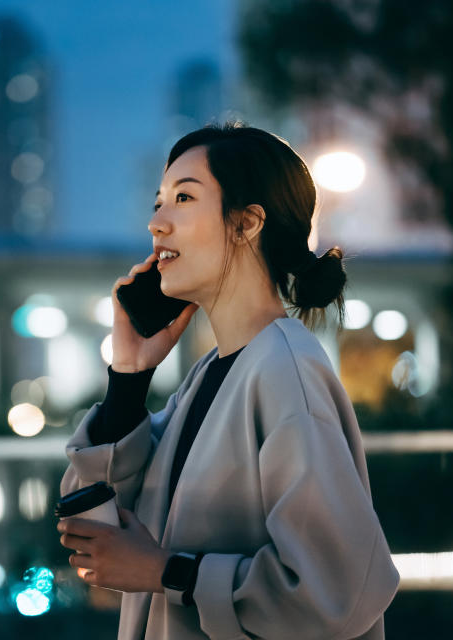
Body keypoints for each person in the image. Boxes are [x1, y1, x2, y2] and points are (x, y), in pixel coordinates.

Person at [56, 123, 401, 640]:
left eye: (183, 198)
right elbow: (105, 518)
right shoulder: (212, 373)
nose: (156, 223)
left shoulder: (285, 369)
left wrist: (163, 572)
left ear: (246, 223)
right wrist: (128, 376)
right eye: (158, 202)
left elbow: (335, 589)